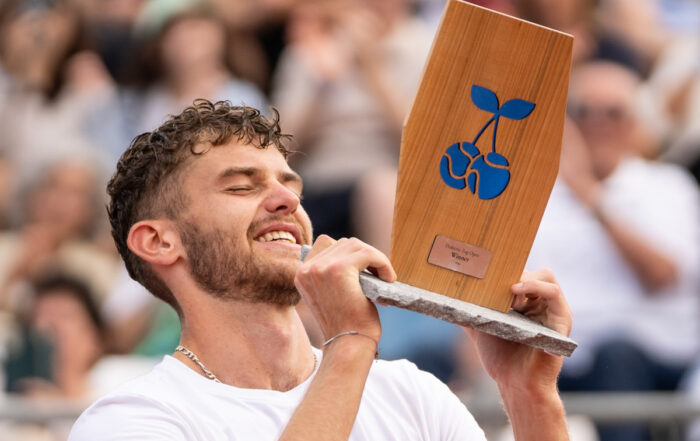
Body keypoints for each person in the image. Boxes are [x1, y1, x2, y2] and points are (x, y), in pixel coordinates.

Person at [68, 100, 572, 440]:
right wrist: (350, 341)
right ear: (159, 241)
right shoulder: (132, 421)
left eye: (291, 185)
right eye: (242, 186)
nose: (288, 200)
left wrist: (529, 396)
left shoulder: (410, 392)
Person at [528, 62, 700, 441]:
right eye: (582, 111)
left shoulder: (668, 185)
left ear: (636, 122)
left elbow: (661, 276)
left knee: (616, 355)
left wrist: (591, 197)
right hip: (561, 357)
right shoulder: (538, 194)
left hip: (650, 357)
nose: (597, 123)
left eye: (613, 112)